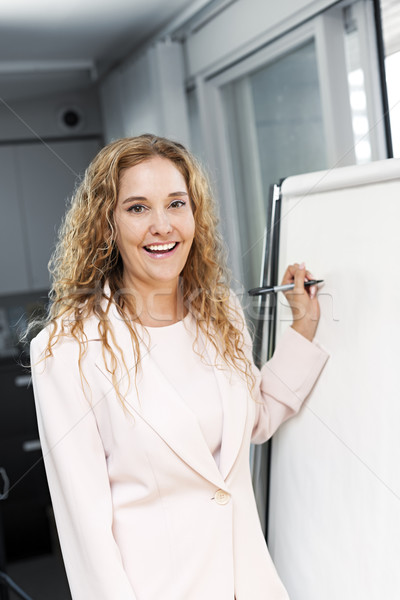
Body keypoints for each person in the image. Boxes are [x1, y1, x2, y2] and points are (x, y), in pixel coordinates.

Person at [30, 134, 328, 600]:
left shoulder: (221, 314)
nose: (162, 225)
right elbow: (85, 530)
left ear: (194, 214)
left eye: (175, 203)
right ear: (106, 225)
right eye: (137, 208)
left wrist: (303, 328)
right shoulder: (66, 349)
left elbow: (255, 419)